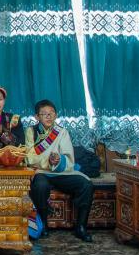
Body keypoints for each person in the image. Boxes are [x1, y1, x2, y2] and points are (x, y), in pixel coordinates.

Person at [26, 99, 94, 243]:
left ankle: (81, 226)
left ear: (56, 115)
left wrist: (58, 160)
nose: (48, 116)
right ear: (37, 117)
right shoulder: (30, 131)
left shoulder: (62, 132)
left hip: (60, 172)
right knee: (40, 185)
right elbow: (30, 158)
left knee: (86, 184)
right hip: (41, 172)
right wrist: (48, 161)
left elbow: (69, 158)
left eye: (51, 113)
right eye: (44, 114)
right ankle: (44, 225)